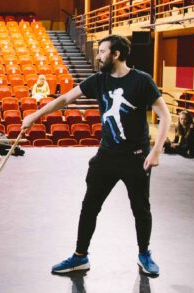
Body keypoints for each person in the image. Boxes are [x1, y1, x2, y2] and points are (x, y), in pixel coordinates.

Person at [21, 35, 171, 276]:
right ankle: (80, 256)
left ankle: (144, 254)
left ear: (117, 54)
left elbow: (166, 117)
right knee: (89, 206)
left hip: (136, 157)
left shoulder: (142, 81)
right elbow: (64, 99)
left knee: (141, 209)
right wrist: (34, 116)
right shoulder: (98, 81)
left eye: (102, 51)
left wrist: (156, 151)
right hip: (106, 157)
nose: (98, 55)